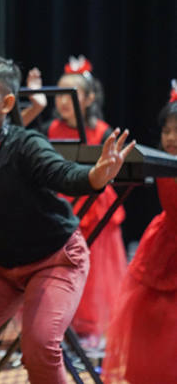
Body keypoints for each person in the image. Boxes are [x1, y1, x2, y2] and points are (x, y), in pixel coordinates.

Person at [0, 53, 135, 384]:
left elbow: (66, 175)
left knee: (40, 346)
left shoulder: (26, 143)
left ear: (7, 103)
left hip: (55, 260)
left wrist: (98, 175)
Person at [39, 55, 128, 348]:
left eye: (72, 94)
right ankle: (60, 325)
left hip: (95, 204)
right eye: (59, 93)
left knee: (94, 266)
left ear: (89, 97)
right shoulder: (50, 130)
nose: (63, 101)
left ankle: (88, 330)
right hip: (60, 201)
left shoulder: (102, 131)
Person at [102, 81, 177, 384]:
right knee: (149, 321)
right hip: (164, 244)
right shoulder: (163, 165)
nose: (170, 137)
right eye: (167, 130)